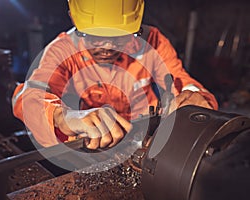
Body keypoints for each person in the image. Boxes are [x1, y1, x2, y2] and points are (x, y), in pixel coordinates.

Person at [12, 0, 218, 150]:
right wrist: (61, 116)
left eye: (119, 36)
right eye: (95, 37)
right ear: (73, 18)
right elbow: (25, 96)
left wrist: (193, 95)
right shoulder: (61, 51)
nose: (108, 46)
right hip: (93, 147)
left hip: (146, 141)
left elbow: (179, 80)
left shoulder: (152, 41)